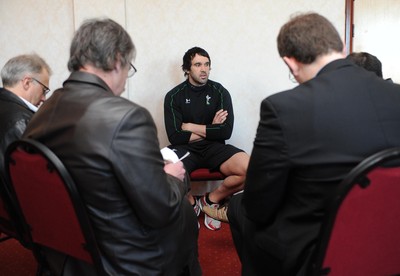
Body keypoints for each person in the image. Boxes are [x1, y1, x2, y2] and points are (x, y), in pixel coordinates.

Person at [203, 12, 400, 275]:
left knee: (242, 207)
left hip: (321, 251)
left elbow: (260, 205)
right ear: (341, 47)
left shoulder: (284, 108)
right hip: (390, 238)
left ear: (291, 63)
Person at [23, 18, 201, 276]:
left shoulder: (42, 112)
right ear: (117, 59)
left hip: (64, 250)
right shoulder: (127, 118)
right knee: (182, 210)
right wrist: (174, 179)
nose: (126, 81)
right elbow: (160, 209)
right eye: (129, 68)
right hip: (124, 257)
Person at [163, 47, 249, 231]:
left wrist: (190, 126)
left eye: (207, 64)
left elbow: (225, 132)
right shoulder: (173, 96)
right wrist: (211, 127)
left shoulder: (220, 92)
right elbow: (175, 136)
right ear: (187, 69)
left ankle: (211, 200)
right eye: (198, 64)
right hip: (186, 149)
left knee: (250, 169)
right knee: (165, 167)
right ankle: (191, 203)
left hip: (214, 147)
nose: (204, 69)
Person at [0, 53, 51, 190]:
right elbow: (31, 182)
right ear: (27, 82)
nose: (44, 99)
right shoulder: (20, 121)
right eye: (44, 90)